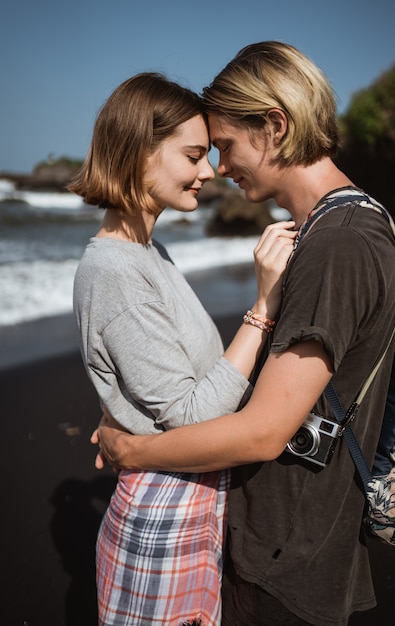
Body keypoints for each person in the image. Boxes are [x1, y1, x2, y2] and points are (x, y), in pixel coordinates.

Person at [93, 42, 395, 626]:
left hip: (285, 557)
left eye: (227, 145)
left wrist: (135, 450)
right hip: (298, 543)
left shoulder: (338, 244)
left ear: (275, 126)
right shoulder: (344, 227)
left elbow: (264, 433)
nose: (221, 167)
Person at [69, 71, 296, 626]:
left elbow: (161, 385)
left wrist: (119, 409)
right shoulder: (116, 271)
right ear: (138, 152)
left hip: (187, 501)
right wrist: (263, 306)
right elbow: (193, 413)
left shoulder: (149, 252)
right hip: (165, 520)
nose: (210, 170)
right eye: (193, 155)